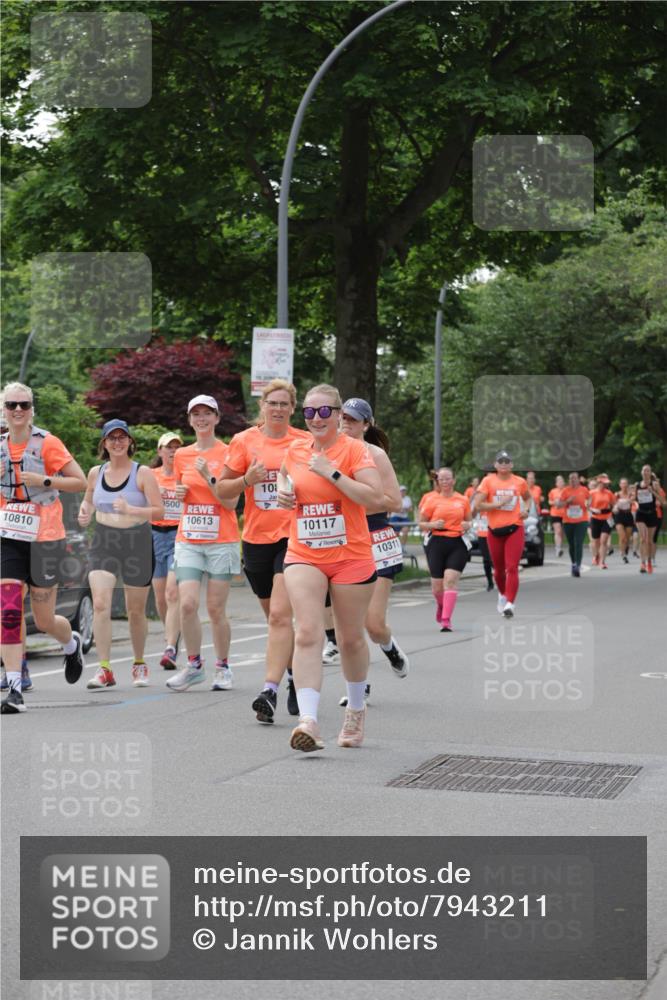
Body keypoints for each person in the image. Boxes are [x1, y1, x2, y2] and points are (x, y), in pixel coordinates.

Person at [277, 384, 383, 753]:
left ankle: (355, 708)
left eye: (325, 412)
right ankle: (309, 720)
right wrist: (282, 490)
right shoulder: (294, 450)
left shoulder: (356, 450)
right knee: (307, 631)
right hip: (304, 552)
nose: (317, 419)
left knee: (351, 638)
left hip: (351, 555)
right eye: (309, 413)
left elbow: (375, 497)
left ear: (339, 415)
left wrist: (332, 473)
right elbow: (284, 476)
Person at [216, 379, 307, 723]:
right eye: (273, 403)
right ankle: (298, 676)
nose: (279, 409)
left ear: (292, 408)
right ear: (263, 405)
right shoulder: (244, 441)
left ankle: (269, 690)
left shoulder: (304, 441)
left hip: (294, 537)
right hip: (255, 538)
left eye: (285, 404)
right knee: (275, 619)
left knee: (282, 616)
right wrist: (246, 482)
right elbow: (223, 491)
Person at [1, 382, 87, 713]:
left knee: (45, 618)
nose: (18, 410)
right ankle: (13, 688)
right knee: (8, 611)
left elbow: (79, 481)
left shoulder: (47, 443)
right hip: (9, 537)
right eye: (12, 405)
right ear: (4, 411)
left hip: (45, 538)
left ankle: (71, 643)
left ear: (32, 409)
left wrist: (45, 481)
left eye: (24, 404)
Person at [78, 419, 163, 688]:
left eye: (122, 437)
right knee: (101, 603)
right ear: (104, 443)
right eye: (111, 438)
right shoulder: (95, 472)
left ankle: (139, 663)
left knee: (134, 610)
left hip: (136, 540)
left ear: (130, 442)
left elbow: (159, 511)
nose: (117, 442)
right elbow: (89, 499)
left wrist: (132, 510)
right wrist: (84, 512)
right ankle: (104, 669)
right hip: (104, 540)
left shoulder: (143, 473)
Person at [166, 395, 242, 691]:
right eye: (195, 414)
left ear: (217, 418)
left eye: (207, 413)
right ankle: (194, 665)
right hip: (189, 539)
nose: (201, 418)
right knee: (186, 603)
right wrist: (179, 494)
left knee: (214, 609)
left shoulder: (229, 452)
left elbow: (231, 500)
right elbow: (179, 492)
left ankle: (223, 667)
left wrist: (209, 476)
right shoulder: (181, 455)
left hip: (221, 540)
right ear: (189, 420)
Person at [339, 397, 409, 680]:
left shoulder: (375, 455)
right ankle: (360, 686)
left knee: (374, 624)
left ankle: (389, 647)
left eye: (353, 420)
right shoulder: (327, 453)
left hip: (375, 536)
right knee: (349, 628)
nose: (346, 424)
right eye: (343, 417)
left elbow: (394, 502)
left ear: (367, 425)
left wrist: (354, 501)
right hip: (341, 538)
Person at [473, 451, 531, 618]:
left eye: (507, 461)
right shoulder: (488, 481)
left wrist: (526, 510)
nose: (504, 464)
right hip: (495, 531)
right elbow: (478, 505)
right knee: (498, 570)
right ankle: (503, 594)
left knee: (512, 567)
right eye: (501, 461)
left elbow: (528, 498)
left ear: (512, 465)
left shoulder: (519, 482)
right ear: (495, 465)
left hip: (515, 528)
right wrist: (498, 503)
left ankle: (510, 604)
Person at [419, 467, 472, 631]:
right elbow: (421, 523)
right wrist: (433, 524)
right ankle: (442, 607)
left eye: (448, 478)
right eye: (441, 479)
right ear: (438, 482)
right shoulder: (431, 500)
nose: (445, 482)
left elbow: (469, 522)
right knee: (437, 586)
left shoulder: (462, 500)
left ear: (454, 480)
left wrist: (466, 525)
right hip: (436, 542)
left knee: (450, 580)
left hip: (457, 542)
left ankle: (446, 620)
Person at [150, 431, 183, 669]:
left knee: (173, 592)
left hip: (178, 535)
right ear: (160, 451)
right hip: (154, 535)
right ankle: (170, 632)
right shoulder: (150, 476)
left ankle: (171, 646)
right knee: (160, 596)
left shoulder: (186, 475)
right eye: (168, 447)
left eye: (176, 447)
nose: (172, 451)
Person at [555, 472, 590, 577]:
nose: (572, 480)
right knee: (571, 544)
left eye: (574, 478)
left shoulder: (584, 490)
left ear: (578, 479)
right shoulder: (565, 491)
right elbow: (558, 506)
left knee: (578, 542)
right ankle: (573, 563)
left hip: (582, 520)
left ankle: (577, 566)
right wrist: (567, 502)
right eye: (570, 479)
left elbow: (589, 499)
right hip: (568, 521)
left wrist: (587, 504)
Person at [631, 465, 662, 574]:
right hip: (641, 514)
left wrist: (652, 492)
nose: (645, 472)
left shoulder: (655, 484)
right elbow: (634, 499)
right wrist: (633, 502)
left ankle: (649, 562)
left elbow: (663, 501)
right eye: (644, 470)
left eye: (648, 470)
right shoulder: (637, 485)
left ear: (650, 473)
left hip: (652, 514)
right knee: (643, 539)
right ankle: (642, 563)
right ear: (641, 472)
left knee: (649, 541)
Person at [588, 473, 615, 569]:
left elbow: (613, 505)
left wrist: (613, 508)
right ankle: (597, 556)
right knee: (596, 542)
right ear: (599, 483)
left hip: (607, 519)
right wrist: (592, 510)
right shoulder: (592, 493)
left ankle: (602, 562)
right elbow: (586, 505)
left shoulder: (609, 493)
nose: (606, 485)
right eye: (604, 483)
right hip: (595, 519)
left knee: (604, 541)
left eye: (606, 483)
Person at [613, 478, 634, 563]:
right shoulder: (616, 494)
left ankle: (626, 547)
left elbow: (632, 500)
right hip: (619, 516)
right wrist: (615, 508)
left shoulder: (631, 494)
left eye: (626, 484)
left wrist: (628, 500)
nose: (624, 485)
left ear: (627, 485)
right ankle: (623, 554)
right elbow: (613, 504)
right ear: (620, 485)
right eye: (622, 484)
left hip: (628, 515)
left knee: (627, 538)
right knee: (622, 537)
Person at [548, 475, 565, 557]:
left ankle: (560, 546)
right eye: (559, 481)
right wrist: (555, 503)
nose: (561, 483)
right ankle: (558, 549)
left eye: (562, 481)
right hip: (555, 513)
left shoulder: (566, 491)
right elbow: (549, 502)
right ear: (556, 483)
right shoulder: (553, 491)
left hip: (565, 514)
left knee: (562, 533)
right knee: (557, 531)